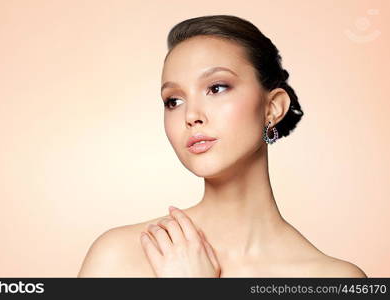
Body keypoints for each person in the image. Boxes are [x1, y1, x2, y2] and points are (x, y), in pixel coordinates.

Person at [77, 15, 367, 277]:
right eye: (173, 101)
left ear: (272, 107)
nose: (191, 116)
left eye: (216, 88)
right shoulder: (120, 257)